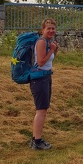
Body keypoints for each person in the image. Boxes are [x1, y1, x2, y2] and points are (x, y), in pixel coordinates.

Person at [29, 17, 59, 150]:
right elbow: (41, 62)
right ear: (43, 30)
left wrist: (54, 50)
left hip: (45, 77)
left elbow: (48, 61)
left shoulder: (48, 42)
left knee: (43, 109)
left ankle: (36, 138)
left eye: (53, 28)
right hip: (39, 79)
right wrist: (51, 50)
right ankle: (37, 141)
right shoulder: (41, 42)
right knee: (41, 110)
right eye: (49, 28)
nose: (51, 31)